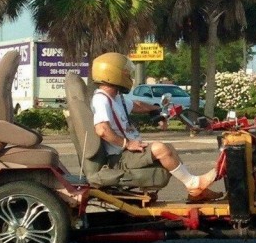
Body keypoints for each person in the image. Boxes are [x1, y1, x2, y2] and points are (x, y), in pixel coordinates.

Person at [91, 52, 222, 202]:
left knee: (169, 148)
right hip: (120, 157)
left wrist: (157, 109)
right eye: (126, 73)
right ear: (113, 74)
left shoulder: (116, 98)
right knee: (161, 149)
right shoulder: (101, 100)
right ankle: (194, 185)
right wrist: (127, 143)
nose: (130, 77)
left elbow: (137, 105)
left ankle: (197, 192)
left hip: (127, 153)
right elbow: (102, 130)